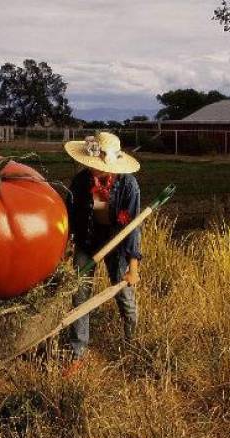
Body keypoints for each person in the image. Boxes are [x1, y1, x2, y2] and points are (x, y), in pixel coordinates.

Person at [63, 132, 142, 376]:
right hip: (87, 243)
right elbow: (70, 218)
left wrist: (133, 268)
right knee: (80, 297)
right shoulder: (80, 182)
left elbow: (132, 228)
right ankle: (78, 354)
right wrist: (66, 247)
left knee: (125, 297)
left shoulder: (129, 186)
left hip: (116, 244)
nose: (90, 168)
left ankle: (133, 346)